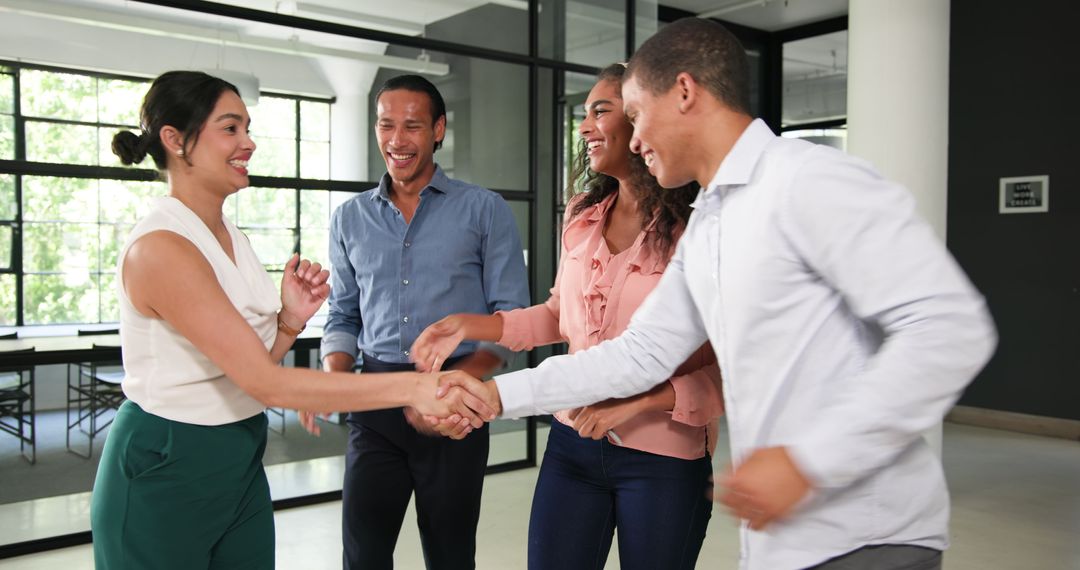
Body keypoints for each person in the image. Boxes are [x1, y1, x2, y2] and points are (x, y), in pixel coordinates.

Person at [442, 18, 998, 570]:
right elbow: (640, 353)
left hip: (869, 539)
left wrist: (808, 463)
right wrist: (497, 396)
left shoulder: (811, 180)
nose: (633, 140)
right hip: (783, 541)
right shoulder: (709, 222)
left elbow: (948, 328)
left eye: (636, 114)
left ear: (684, 91)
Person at [91, 70, 493, 570]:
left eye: (247, 128)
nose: (249, 143)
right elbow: (267, 382)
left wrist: (288, 321)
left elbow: (245, 367)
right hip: (168, 457)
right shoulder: (160, 248)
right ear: (176, 140)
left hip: (239, 454)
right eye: (230, 128)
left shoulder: (229, 236)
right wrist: (415, 388)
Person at [411, 63, 724, 570]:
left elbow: (724, 369)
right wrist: (470, 324)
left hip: (664, 459)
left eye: (600, 111)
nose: (584, 127)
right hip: (572, 443)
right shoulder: (582, 215)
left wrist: (638, 403)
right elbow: (560, 316)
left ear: (641, 116)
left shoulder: (698, 230)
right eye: (584, 114)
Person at [302, 74, 529, 570]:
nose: (397, 140)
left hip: (455, 400)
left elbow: (511, 320)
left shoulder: (484, 210)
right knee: (362, 555)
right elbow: (344, 313)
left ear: (438, 129)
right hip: (375, 403)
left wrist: (457, 389)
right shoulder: (349, 218)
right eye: (386, 125)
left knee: (450, 556)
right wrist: (334, 380)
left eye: (412, 126)